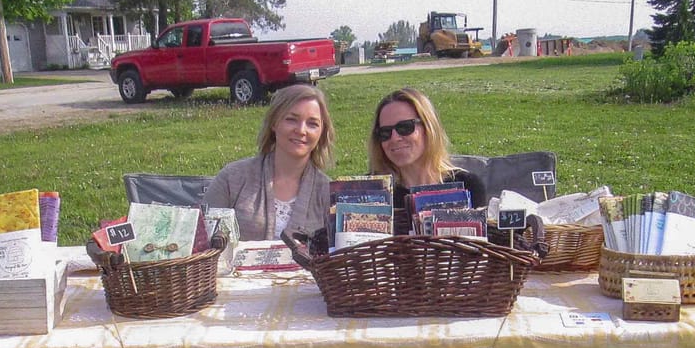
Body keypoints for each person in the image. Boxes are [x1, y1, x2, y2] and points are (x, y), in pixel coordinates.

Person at [204, 84, 335, 240]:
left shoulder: (329, 193)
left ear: (322, 131)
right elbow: (200, 240)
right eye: (291, 120)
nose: (301, 130)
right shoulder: (232, 178)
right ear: (274, 123)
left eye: (312, 124)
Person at [367, 87, 485, 232]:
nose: (394, 138)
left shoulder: (468, 186)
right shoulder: (371, 192)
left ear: (429, 128)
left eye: (405, 127)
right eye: (385, 132)